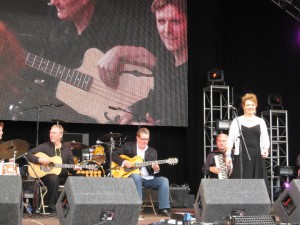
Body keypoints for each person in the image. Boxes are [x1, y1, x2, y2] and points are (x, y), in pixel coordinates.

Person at [99, 0, 188, 126]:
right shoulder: (167, 66)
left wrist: (157, 126)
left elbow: (186, 115)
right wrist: (130, 111)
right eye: (161, 21)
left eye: (176, 21)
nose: (167, 30)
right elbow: (155, 100)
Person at [111, 127, 171, 216]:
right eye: (142, 139)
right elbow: (114, 155)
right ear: (137, 138)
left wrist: (156, 169)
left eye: (147, 139)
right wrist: (124, 162)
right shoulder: (128, 146)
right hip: (131, 177)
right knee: (136, 176)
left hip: (147, 178)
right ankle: (137, 208)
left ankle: (163, 208)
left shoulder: (153, 152)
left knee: (164, 180)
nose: (145, 141)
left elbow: (153, 170)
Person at [27, 124, 75, 215]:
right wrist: (39, 160)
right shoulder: (45, 146)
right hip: (46, 176)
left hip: (63, 176)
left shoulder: (67, 149)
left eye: (54, 133)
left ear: (60, 135)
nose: (51, 135)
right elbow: (28, 154)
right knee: (53, 178)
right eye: (50, 132)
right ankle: (53, 208)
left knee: (75, 179)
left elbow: (71, 167)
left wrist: (74, 168)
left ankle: (71, 208)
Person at [225, 93, 270, 185]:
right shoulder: (237, 120)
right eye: (248, 105)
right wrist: (228, 155)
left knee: (257, 182)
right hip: (241, 155)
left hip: (256, 155)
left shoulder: (260, 121)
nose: (250, 107)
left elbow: (265, 137)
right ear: (243, 107)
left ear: (256, 106)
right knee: (241, 180)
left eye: (252, 105)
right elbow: (230, 139)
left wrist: (265, 149)